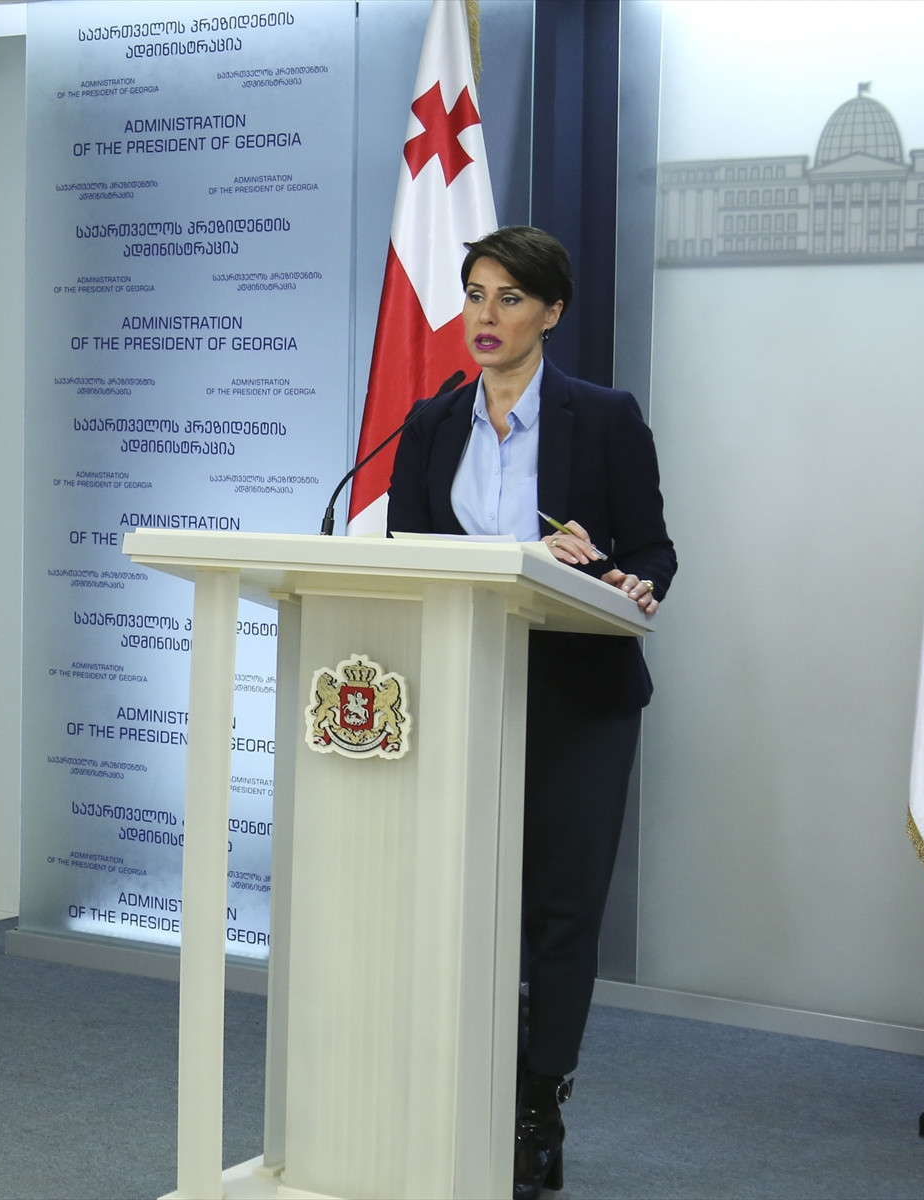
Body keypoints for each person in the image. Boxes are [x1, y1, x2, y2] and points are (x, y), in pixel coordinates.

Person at [387, 225, 676, 1199]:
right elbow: (406, 551)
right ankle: (460, 1087)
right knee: (463, 902)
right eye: (475, 294)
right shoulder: (428, 422)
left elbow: (653, 548)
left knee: (558, 912)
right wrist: (511, 558)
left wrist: (628, 578)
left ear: (550, 312)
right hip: (461, 688)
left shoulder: (604, 417)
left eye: (509, 298)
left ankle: (536, 1106)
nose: (486, 315)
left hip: (577, 699)